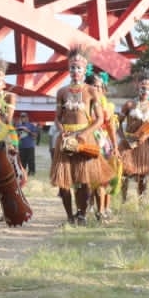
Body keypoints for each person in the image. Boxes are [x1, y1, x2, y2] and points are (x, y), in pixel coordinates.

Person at [52, 48, 109, 223]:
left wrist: (83, 134)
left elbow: (99, 119)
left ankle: (82, 214)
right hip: (66, 138)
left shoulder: (92, 91)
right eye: (72, 68)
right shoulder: (62, 92)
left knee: (84, 180)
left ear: (85, 70)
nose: (75, 71)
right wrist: (62, 131)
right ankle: (70, 217)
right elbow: (57, 117)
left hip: (85, 138)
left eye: (78, 68)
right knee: (63, 182)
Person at [119, 69, 149, 203]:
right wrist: (123, 138)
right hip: (129, 144)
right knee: (125, 172)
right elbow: (117, 123)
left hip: (144, 144)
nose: (145, 91)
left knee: (143, 174)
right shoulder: (129, 104)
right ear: (138, 87)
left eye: (148, 89)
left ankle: (141, 201)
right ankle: (123, 200)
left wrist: (146, 135)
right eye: (143, 88)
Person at [15, 112, 41, 176]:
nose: (22, 118)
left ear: (27, 118)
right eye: (21, 117)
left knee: (31, 161)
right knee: (22, 162)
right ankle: (22, 173)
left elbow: (35, 136)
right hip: (21, 146)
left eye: (24, 116)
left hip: (30, 146)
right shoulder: (18, 126)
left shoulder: (31, 125)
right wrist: (17, 132)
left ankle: (31, 172)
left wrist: (28, 131)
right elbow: (15, 136)